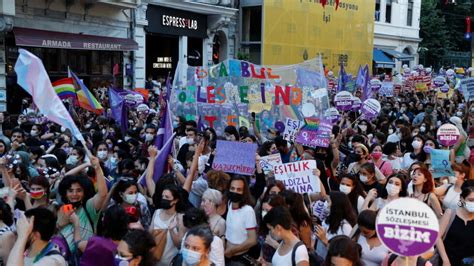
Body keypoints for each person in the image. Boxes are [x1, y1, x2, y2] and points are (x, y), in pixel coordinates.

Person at [56, 155, 108, 252]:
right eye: (70, 191)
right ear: (65, 193)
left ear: (85, 192)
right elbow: (64, 178)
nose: (74, 194)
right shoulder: (62, 208)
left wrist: (97, 168)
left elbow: (102, 194)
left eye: (79, 190)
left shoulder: (88, 206)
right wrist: (60, 225)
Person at [436, 184, 474, 265]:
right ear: (462, 199)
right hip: (448, 261)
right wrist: (445, 260)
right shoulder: (450, 213)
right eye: (471, 200)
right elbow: (437, 237)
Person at [150, 184, 187, 266]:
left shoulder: (180, 218)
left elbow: (179, 245)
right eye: (163, 196)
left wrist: (171, 230)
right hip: (153, 260)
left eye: (167, 197)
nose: (163, 199)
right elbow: (149, 234)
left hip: (168, 263)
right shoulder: (157, 212)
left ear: (175, 200)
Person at [224, 176, 258, 264]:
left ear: (244, 192)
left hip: (240, 259)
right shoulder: (230, 203)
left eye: (239, 189)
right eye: (232, 188)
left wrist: (232, 251)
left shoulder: (248, 211)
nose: (235, 191)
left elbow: (252, 240)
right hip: (228, 256)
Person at [315, 191, 356, 258]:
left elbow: (343, 252)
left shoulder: (346, 227)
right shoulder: (327, 220)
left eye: (328, 201)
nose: (326, 204)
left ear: (336, 205)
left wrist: (324, 240)